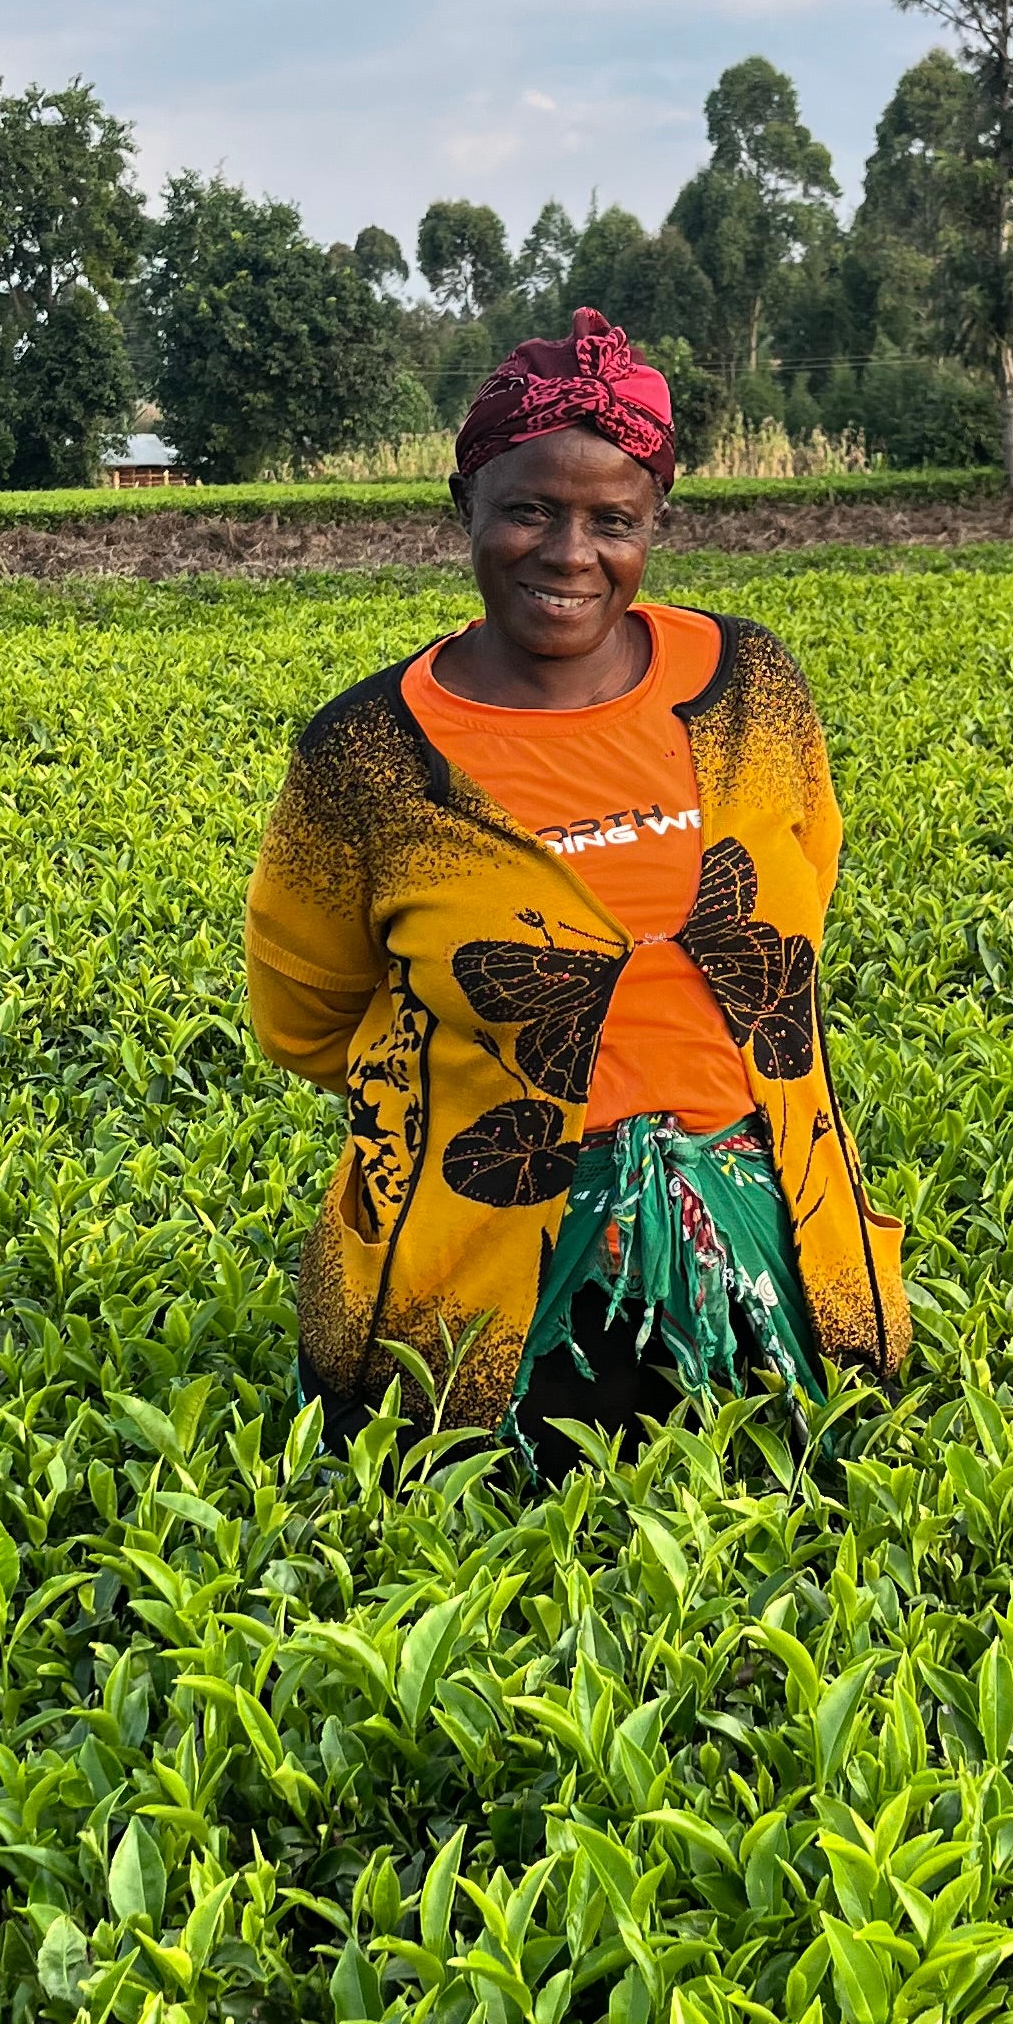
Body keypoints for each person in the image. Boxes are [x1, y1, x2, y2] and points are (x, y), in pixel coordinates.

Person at [245, 308, 908, 1468]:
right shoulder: (369, 755)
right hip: (481, 1260)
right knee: (467, 1505)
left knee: (797, 1502)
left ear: (658, 523)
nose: (569, 553)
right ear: (465, 503)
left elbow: (800, 896)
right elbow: (303, 1016)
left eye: (614, 521)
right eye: (529, 511)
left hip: (773, 1246)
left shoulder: (751, 688)